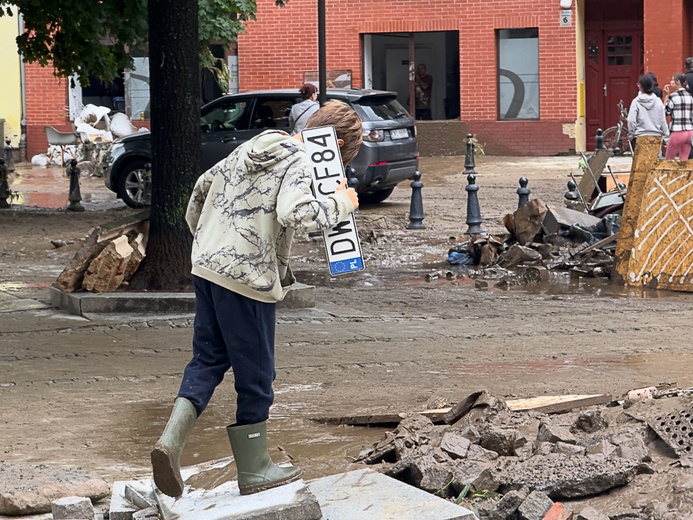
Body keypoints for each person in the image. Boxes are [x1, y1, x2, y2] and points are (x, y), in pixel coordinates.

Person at [151, 101, 363, 498]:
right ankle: (255, 469)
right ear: (332, 144)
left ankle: (170, 442)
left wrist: (211, 244)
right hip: (246, 277)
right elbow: (297, 213)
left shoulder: (255, 144)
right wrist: (342, 203)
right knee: (257, 375)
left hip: (207, 266)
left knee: (208, 359)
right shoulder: (301, 161)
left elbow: (199, 191)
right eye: (341, 156)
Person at [627, 74, 669, 152]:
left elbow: (631, 120)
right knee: (654, 163)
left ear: (640, 86)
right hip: (655, 137)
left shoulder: (636, 102)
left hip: (640, 137)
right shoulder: (658, 101)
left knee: (640, 163)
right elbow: (663, 121)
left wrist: (631, 134)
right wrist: (666, 138)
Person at [663, 72, 693, 160]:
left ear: (678, 82)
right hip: (690, 131)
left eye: (672, 80)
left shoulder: (673, 96)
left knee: (669, 159)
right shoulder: (690, 97)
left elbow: (665, 111)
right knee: (684, 160)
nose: (670, 81)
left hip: (677, 131)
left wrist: (666, 96)